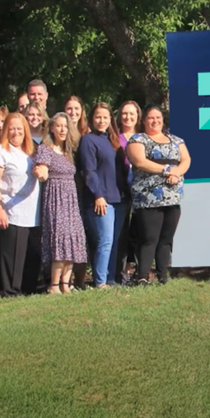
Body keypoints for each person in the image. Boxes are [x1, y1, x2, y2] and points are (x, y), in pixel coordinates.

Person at [126, 105, 190, 284]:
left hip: (172, 197)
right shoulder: (138, 139)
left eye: (158, 118)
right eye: (151, 118)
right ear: (144, 121)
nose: (155, 121)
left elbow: (186, 160)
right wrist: (167, 170)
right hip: (148, 198)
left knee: (166, 239)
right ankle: (142, 276)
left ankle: (163, 275)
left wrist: (176, 173)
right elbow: (140, 162)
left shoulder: (176, 140)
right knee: (149, 239)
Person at [0, 113, 40, 297]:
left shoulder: (31, 152)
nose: (16, 132)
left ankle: (27, 291)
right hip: (10, 212)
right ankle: (10, 292)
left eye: (19, 128)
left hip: (32, 214)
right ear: (5, 130)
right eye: (12, 128)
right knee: (11, 258)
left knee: (30, 257)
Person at [34, 114, 87, 294]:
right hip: (55, 198)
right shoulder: (46, 149)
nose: (63, 130)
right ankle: (54, 284)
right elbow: (42, 170)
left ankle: (66, 283)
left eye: (66, 126)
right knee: (59, 239)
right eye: (59, 126)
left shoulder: (69, 151)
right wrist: (41, 172)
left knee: (72, 239)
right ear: (51, 128)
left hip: (71, 199)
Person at [79, 103, 128, 287]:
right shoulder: (88, 140)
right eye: (98, 117)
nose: (102, 120)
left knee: (114, 241)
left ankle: (110, 279)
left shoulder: (113, 141)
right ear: (92, 118)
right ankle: (99, 282)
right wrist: (98, 195)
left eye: (105, 117)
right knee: (105, 240)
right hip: (101, 199)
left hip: (119, 198)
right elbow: (89, 171)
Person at [115, 101, 142, 282]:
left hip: (141, 192)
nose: (128, 117)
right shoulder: (115, 138)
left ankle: (142, 271)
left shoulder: (143, 137)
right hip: (121, 191)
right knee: (122, 234)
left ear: (137, 116)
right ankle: (121, 273)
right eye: (124, 113)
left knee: (141, 232)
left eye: (131, 114)